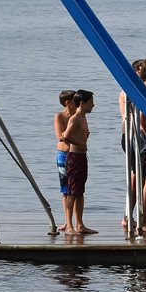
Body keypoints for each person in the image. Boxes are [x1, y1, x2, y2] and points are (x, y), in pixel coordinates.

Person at [120, 58, 146, 232]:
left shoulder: (129, 89)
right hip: (141, 137)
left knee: (136, 176)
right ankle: (142, 219)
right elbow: (144, 117)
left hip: (128, 135)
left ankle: (128, 216)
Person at [61, 89, 97, 234]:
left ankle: (80, 224)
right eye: (91, 102)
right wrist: (80, 143)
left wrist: (84, 139)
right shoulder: (75, 118)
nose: (93, 105)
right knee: (72, 192)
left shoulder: (83, 117)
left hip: (82, 158)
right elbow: (65, 136)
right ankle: (69, 225)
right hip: (74, 158)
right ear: (82, 103)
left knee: (80, 192)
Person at [54, 89, 77, 232]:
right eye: (75, 100)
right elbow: (60, 136)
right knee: (66, 190)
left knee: (75, 190)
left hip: (75, 154)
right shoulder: (60, 116)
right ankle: (67, 221)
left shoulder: (77, 116)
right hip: (63, 155)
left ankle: (75, 221)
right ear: (67, 102)